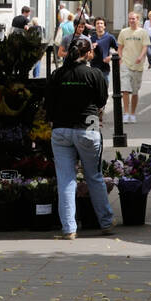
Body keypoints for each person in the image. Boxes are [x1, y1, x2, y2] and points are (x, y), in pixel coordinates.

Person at [45, 35, 115, 239]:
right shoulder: (94, 74)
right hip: (88, 128)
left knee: (66, 180)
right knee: (94, 176)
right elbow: (101, 100)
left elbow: (48, 102)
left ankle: (69, 228)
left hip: (61, 129)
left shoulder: (57, 74)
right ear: (88, 54)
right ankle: (106, 222)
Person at [117, 11, 149, 123]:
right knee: (125, 89)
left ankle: (132, 113)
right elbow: (120, 47)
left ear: (138, 20)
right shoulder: (123, 32)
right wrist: (120, 59)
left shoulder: (143, 32)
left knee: (135, 92)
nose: (131, 20)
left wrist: (141, 57)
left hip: (138, 65)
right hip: (126, 64)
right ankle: (125, 113)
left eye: (133, 19)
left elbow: (145, 47)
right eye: (130, 19)